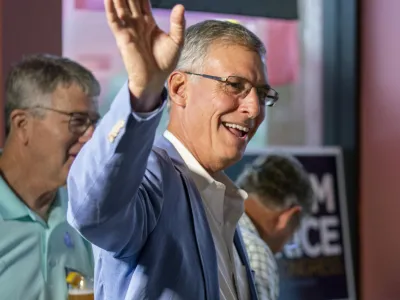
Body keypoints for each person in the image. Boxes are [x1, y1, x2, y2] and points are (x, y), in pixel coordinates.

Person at [67, 0, 278, 299]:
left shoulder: (219, 198)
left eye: (261, 93)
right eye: (234, 85)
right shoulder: (153, 176)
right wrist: (142, 92)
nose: (254, 108)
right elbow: (94, 211)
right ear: (179, 89)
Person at [0, 54, 100, 300]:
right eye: (77, 121)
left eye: (93, 123)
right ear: (22, 124)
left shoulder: (84, 212)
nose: (90, 136)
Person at [237, 154, 315, 300]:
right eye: (292, 235)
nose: (281, 250)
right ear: (288, 217)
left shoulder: (206, 218)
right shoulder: (255, 252)